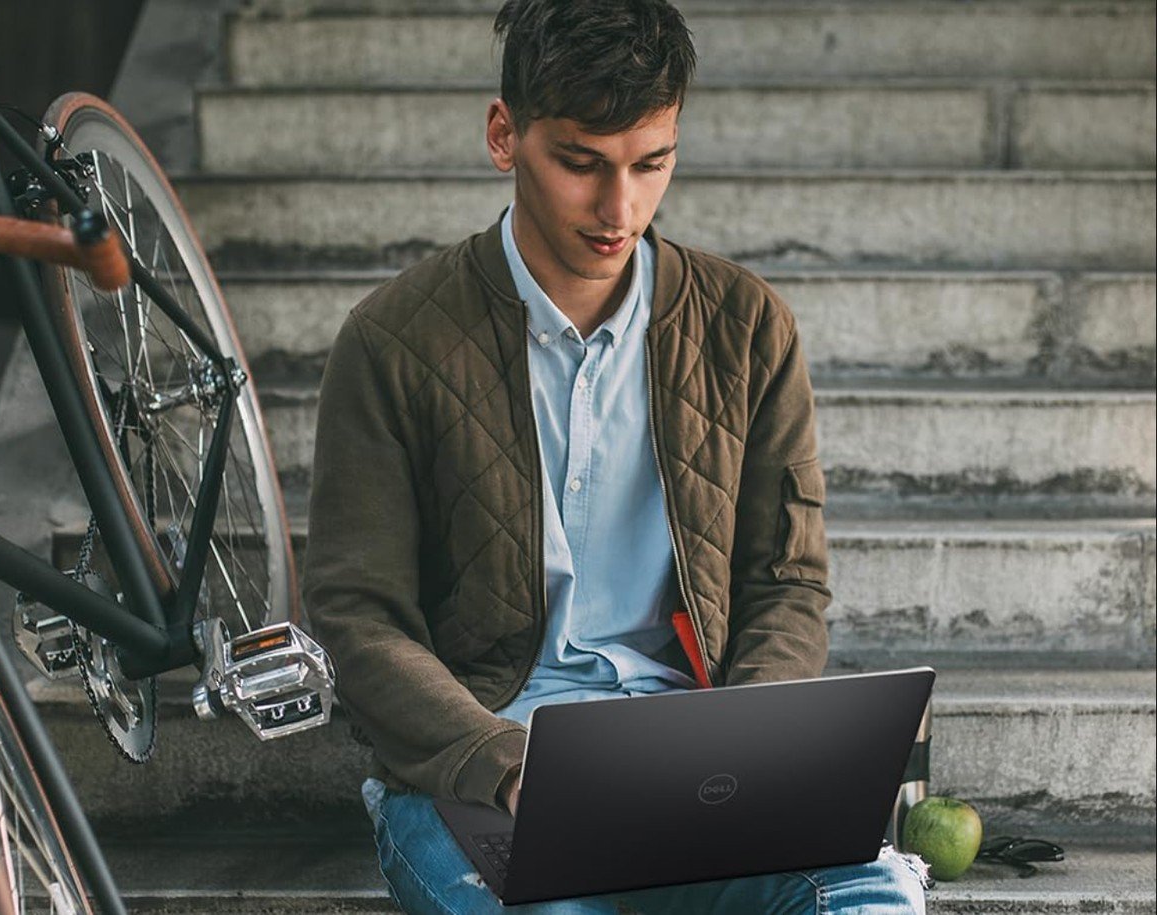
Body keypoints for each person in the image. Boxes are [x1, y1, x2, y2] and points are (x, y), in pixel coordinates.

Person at [303, 0, 931, 911]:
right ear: (502, 134)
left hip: (705, 767)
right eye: (580, 164)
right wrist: (503, 762)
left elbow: (786, 585)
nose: (619, 208)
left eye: (652, 164)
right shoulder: (392, 341)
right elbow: (358, 616)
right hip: (488, 769)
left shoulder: (748, 327)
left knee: (870, 902)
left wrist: (745, 748)